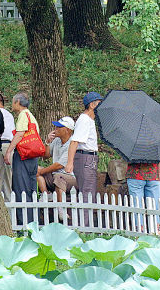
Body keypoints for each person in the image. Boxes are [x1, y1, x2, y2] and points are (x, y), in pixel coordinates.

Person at [65, 92, 103, 226]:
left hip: (89, 158)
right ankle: (85, 227)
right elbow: (74, 142)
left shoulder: (90, 120)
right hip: (85, 158)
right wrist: (69, 163)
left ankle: (86, 225)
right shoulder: (84, 119)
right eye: (99, 103)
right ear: (92, 105)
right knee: (87, 193)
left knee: (89, 192)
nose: (101, 106)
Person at [4, 92, 39, 225]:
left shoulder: (23, 115)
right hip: (32, 156)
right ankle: (32, 221)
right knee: (30, 189)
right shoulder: (31, 115)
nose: (12, 105)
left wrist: (9, 151)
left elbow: (19, 134)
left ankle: (23, 222)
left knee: (20, 188)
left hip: (23, 155)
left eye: (13, 102)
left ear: (18, 102)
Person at [38, 117, 77, 222]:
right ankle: (46, 194)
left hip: (69, 177)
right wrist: (47, 142)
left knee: (59, 178)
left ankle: (61, 209)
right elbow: (46, 156)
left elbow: (59, 165)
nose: (56, 129)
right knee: (36, 169)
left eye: (59, 127)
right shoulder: (56, 141)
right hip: (55, 175)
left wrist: (42, 171)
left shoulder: (72, 143)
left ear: (67, 130)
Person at [126, 157, 160, 232]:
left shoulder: (132, 146)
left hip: (135, 176)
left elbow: (126, 159)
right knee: (154, 205)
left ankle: (140, 229)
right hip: (153, 175)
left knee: (137, 205)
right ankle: (156, 229)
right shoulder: (156, 145)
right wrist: (159, 174)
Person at [0, 92, 15, 200]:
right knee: (7, 178)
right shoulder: (9, 114)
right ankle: (8, 202)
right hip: (8, 145)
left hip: (1, 144)